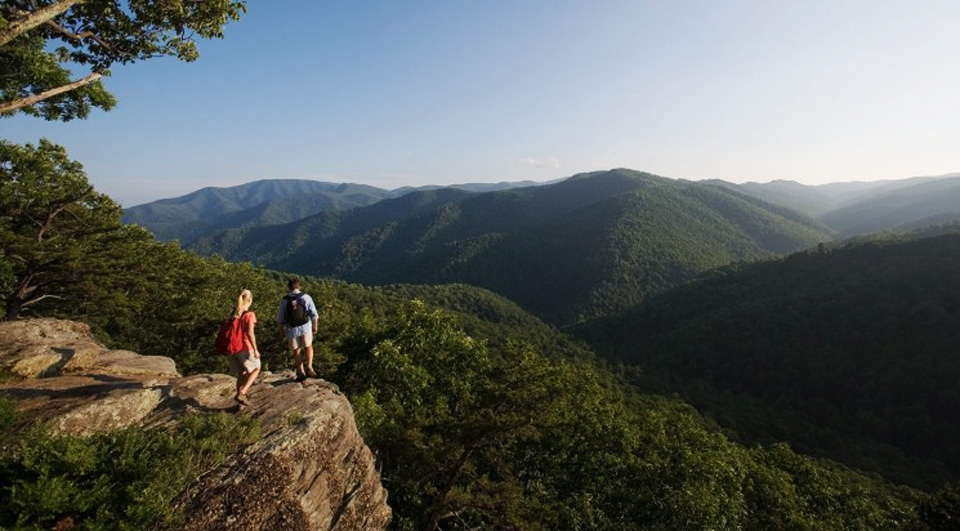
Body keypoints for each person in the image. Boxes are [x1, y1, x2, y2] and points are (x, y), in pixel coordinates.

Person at [277, 277, 319, 381]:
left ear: (289, 287)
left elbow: (281, 318)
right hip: (305, 327)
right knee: (308, 346)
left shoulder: (285, 300)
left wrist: (281, 331)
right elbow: (314, 314)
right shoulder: (306, 297)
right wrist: (315, 326)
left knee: (296, 350)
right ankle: (309, 367)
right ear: (298, 286)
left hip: (292, 329)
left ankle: (300, 371)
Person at [229, 289, 261, 406]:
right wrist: (256, 349)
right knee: (256, 369)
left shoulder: (233, 313)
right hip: (245, 347)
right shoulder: (250, 315)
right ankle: (242, 393)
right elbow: (250, 333)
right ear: (249, 300)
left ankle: (240, 402)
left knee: (241, 373)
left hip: (232, 348)